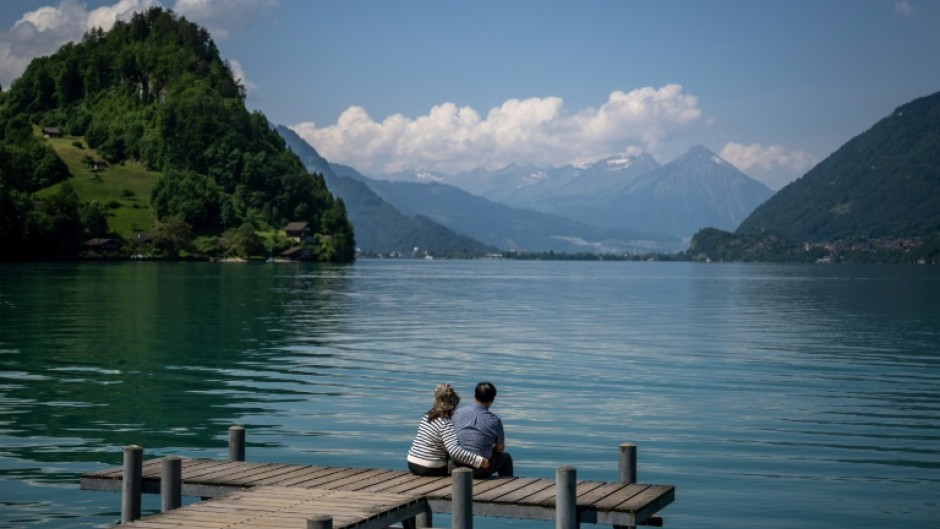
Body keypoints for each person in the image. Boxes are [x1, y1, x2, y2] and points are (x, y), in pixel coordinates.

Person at [407, 383, 489, 477]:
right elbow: (455, 452)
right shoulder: (445, 424)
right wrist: (478, 460)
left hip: (412, 462)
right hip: (430, 467)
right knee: (453, 462)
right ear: (452, 407)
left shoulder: (427, 416)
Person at [452, 381, 514, 478]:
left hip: (455, 465)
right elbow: (500, 448)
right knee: (506, 458)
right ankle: (507, 483)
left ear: (474, 395)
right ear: (492, 399)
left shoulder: (457, 412)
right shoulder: (495, 420)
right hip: (480, 468)